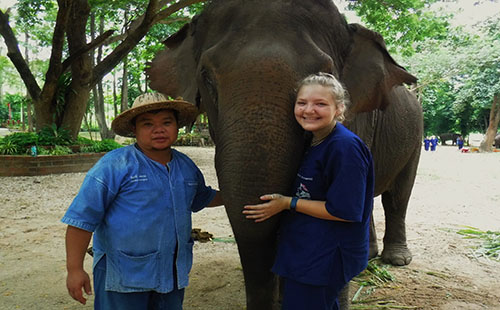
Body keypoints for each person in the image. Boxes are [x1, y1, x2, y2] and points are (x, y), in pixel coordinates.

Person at [61, 93, 223, 310]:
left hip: (171, 274)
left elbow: (203, 197)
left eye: (167, 122)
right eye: (148, 124)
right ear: (134, 130)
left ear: (177, 126)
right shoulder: (115, 166)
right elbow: (82, 219)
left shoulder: (186, 166)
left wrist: (238, 196)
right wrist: (75, 269)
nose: (158, 129)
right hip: (122, 275)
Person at [243, 73, 374, 310]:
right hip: (308, 251)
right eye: (302, 103)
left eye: (320, 104)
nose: (309, 110)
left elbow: (344, 210)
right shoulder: (313, 140)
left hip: (326, 256)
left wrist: (287, 203)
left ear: (339, 108)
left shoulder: (345, 148)